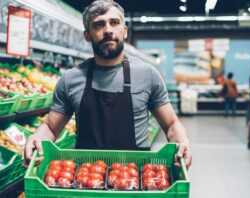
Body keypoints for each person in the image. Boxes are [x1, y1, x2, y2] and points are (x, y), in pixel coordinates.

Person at [23, 0, 192, 169]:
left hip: (132, 179)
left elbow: (171, 124)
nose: (108, 30)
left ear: (124, 31)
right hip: (85, 180)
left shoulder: (148, 75)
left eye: (114, 23)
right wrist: (37, 137)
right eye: (98, 25)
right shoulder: (70, 80)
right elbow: (51, 128)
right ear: (87, 35)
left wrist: (182, 142)